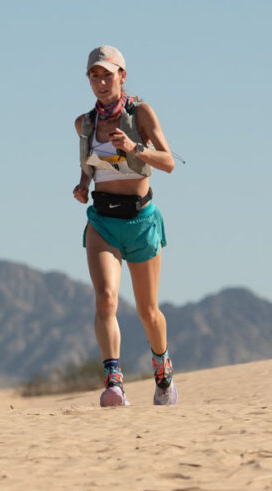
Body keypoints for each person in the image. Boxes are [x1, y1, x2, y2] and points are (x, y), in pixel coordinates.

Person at [72, 45, 177, 407]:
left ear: (122, 76)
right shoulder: (85, 124)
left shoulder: (141, 113)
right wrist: (83, 186)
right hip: (103, 222)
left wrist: (135, 147)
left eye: (107, 75)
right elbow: (90, 164)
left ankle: (162, 368)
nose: (101, 83)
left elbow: (168, 162)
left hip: (141, 221)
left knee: (148, 311)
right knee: (106, 299)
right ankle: (114, 380)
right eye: (94, 76)